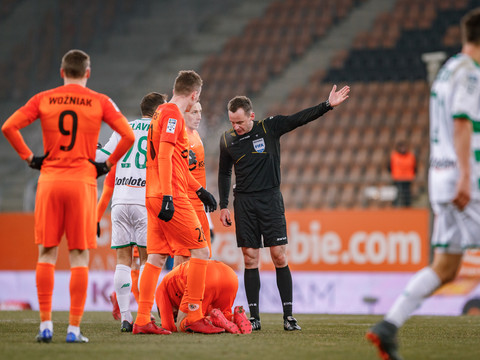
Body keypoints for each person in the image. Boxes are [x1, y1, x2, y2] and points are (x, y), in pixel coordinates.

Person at [366, 9, 480, 360]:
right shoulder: (470, 74)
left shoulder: (447, 70)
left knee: (446, 266)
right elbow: (462, 124)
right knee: (446, 263)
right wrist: (465, 174)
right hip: (464, 178)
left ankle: (388, 326)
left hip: (439, 177)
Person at [1, 49, 135, 343]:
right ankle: (73, 330)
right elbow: (128, 135)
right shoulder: (100, 101)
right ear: (88, 73)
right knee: (78, 257)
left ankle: (46, 325)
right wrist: (107, 164)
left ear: (62, 72)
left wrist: (29, 158)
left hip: (49, 181)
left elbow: (8, 126)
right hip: (82, 184)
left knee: (47, 253)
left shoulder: (44, 98)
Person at [218, 85, 350, 331]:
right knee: (250, 258)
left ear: (251, 116)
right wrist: (223, 205)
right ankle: (254, 317)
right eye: (232, 122)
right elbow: (225, 172)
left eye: (240, 122)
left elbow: (297, 119)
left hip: (270, 199)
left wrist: (327, 105)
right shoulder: (227, 139)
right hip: (244, 203)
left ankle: (288, 316)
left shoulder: (269, 127)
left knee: (279, 255)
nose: (236, 127)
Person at [133, 70, 219, 335]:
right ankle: (193, 315)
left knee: (156, 258)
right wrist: (170, 196)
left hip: (153, 193)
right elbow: (166, 156)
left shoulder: (160, 112)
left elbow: (179, 162)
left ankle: (143, 319)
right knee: (202, 251)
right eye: (198, 97)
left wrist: (200, 189)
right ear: (194, 95)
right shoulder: (171, 114)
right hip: (169, 195)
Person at [96, 92, 167, 332]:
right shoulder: (158, 130)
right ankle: (145, 316)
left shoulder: (123, 127)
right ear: (158, 111)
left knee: (123, 260)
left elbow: (101, 157)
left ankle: (126, 317)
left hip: (120, 200)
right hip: (144, 201)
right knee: (149, 259)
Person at [155, 259, 252, 334]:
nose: (176, 313)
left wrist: (176, 321)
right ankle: (235, 317)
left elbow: (169, 327)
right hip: (230, 275)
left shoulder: (161, 289)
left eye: (174, 315)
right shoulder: (174, 280)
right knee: (222, 314)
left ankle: (213, 321)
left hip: (205, 277)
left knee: (186, 323)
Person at [174, 102, 213, 266]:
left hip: (199, 204)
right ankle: (175, 291)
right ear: (183, 113)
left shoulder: (195, 134)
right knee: (185, 256)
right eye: (194, 112)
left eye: (200, 111)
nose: (199, 116)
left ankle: (192, 291)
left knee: (201, 255)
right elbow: (179, 172)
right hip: (186, 203)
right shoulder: (180, 136)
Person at [388, 140, 416, 207]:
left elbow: (415, 167)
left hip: (408, 177)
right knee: (397, 193)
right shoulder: (394, 156)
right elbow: (389, 166)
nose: (403, 149)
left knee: (407, 193)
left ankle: (407, 207)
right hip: (397, 178)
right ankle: (395, 206)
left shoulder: (410, 156)